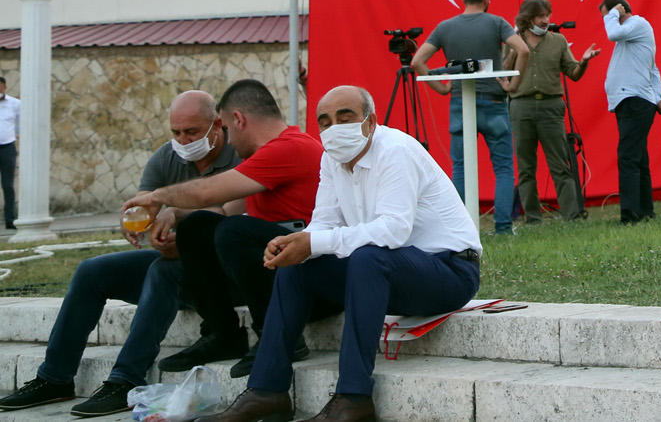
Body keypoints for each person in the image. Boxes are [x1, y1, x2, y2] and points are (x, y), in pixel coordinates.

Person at [203, 86, 481, 422]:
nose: (334, 127)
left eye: (344, 116)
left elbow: (393, 230)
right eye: (325, 121)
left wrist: (315, 242)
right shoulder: (331, 158)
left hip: (449, 271)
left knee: (367, 255)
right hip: (387, 273)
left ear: (370, 121)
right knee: (298, 263)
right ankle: (266, 391)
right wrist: (296, 243)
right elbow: (324, 222)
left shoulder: (395, 151)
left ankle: (353, 398)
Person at [0, 92, 241, 417]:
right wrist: (141, 221)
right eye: (176, 132)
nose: (183, 140)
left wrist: (176, 213)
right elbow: (144, 202)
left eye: (192, 133)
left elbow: (231, 211)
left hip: (224, 276)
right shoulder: (166, 157)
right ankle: (54, 378)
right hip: (178, 265)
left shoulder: (239, 155)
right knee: (92, 271)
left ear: (217, 125)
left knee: (163, 271)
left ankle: (125, 380)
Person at [124, 80, 323, 378]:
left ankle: (280, 336)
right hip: (278, 267)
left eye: (226, 129)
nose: (227, 141)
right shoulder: (263, 156)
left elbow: (209, 194)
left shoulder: (290, 147)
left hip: (312, 277)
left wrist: (155, 197)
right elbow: (219, 210)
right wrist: (176, 213)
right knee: (198, 226)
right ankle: (222, 335)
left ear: (239, 120)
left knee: (233, 231)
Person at [409, 0, 529, 235]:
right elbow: (524, 50)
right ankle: (503, 227)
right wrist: (513, 85)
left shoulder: (445, 27)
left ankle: (460, 227)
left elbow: (418, 61)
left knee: (461, 167)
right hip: (494, 102)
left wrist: (441, 87)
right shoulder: (497, 23)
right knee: (504, 167)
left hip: (460, 103)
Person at [501, 0, 597, 224]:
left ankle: (572, 216)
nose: (545, 20)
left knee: (559, 165)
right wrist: (515, 50)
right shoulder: (512, 41)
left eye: (547, 15)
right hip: (520, 106)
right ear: (527, 18)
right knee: (525, 168)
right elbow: (502, 72)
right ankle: (533, 219)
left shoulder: (558, 41)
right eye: (540, 16)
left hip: (551, 107)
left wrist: (583, 62)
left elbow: (573, 73)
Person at [600, 0, 661, 224]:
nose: (607, 20)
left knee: (628, 158)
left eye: (607, 15)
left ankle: (630, 215)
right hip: (632, 100)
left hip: (635, 99)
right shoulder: (632, 37)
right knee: (638, 157)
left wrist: (613, 12)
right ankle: (645, 210)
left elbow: (612, 32)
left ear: (620, 10)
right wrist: (659, 99)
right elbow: (653, 69)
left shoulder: (638, 23)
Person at [0, 77, 18, 230]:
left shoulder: (15, 104)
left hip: (7, 147)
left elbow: (20, 123)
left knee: (7, 185)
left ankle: (10, 219)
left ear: (5, 87)